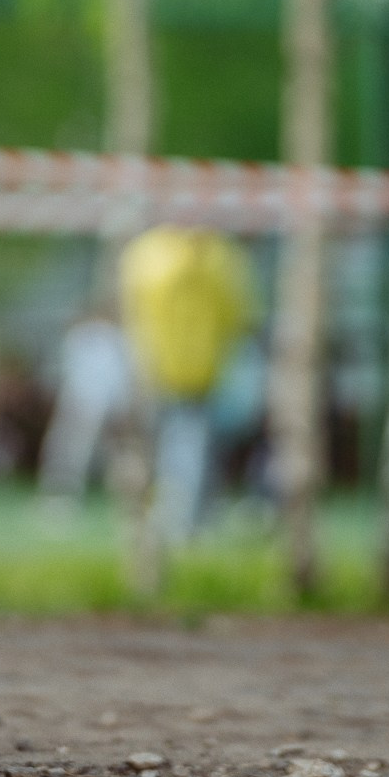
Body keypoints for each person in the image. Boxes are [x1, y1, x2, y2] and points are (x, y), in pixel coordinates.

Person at [119, 225, 254, 545]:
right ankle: (186, 518)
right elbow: (240, 314)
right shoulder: (222, 257)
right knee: (189, 448)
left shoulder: (146, 254)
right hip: (193, 371)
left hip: (168, 369)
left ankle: (180, 517)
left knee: (182, 447)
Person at [37, 304, 134, 506]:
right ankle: (62, 495)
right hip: (85, 402)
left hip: (93, 403)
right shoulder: (86, 337)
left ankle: (130, 497)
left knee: (112, 453)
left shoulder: (110, 338)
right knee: (72, 452)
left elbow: (116, 376)